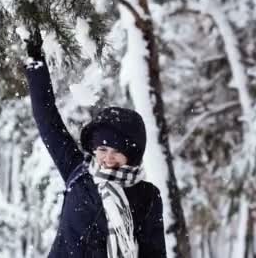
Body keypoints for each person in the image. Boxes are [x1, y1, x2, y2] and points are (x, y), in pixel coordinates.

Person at [22, 30, 167, 258]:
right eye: (102, 149)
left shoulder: (146, 196)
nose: (107, 158)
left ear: (133, 154)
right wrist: (35, 63)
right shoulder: (78, 172)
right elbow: (48, 122)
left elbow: (154, 253)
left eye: (116, 152)